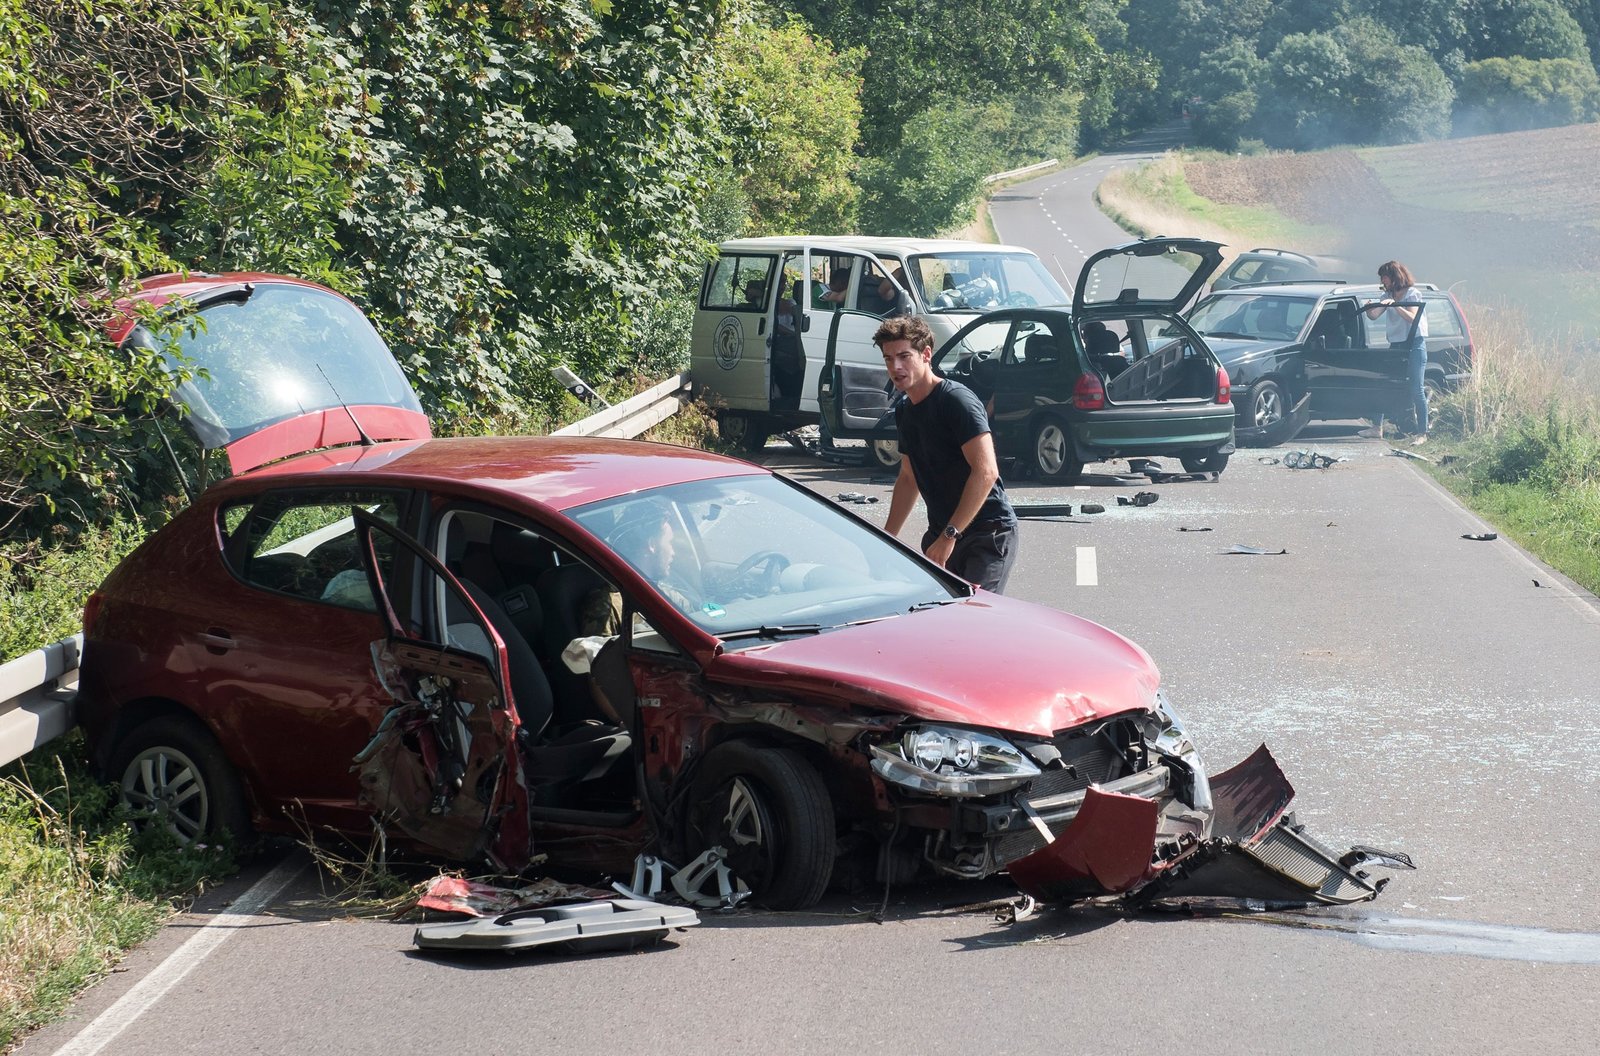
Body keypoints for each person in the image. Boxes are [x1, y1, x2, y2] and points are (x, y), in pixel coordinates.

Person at [875, 315, 1018, 593]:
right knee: (939, 615)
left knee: (976, 612)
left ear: (926, 354)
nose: (896, 367)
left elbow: (986, 472)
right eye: (888, 359)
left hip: (987, 534)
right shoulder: (904, 410)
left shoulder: (956, 401)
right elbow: (908, 478)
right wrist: (886, 539)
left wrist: (950, 535)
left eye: (904, 356)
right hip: (942, 534)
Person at [1364, 259, 1430, 444]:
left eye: (1384, 277)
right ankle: (1377, 427)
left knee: (1416, 388)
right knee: (1384, 384)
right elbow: (1374, 315)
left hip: (1414, 344)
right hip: (1396, 344)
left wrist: (1395, 305)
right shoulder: (1387, 294)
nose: (1382, 281)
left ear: (1394, 277)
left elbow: (1412, 317)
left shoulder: (1412, 293)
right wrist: (1369, 308)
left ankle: (1422, 433)